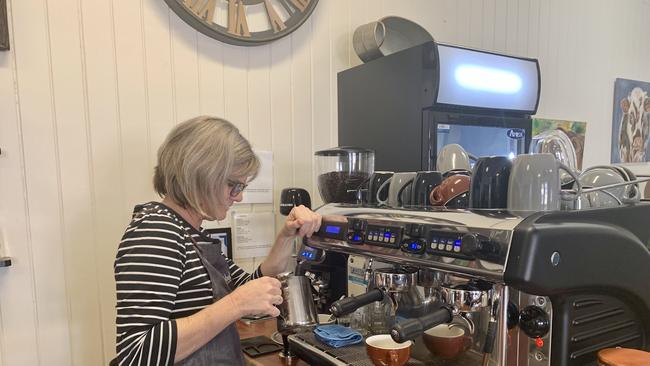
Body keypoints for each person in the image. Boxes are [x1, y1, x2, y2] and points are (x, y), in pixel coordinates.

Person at [113, 116, 322, 365]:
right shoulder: (156, 232)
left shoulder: (190, 233)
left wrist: (286, 236)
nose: (240, 197)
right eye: (234, 186)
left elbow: (249, 288)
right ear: (200, 175)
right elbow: (136, 353)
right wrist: (236, 304)